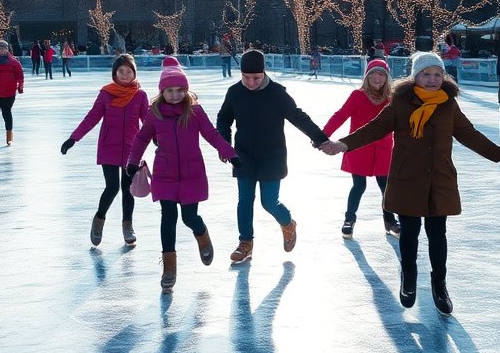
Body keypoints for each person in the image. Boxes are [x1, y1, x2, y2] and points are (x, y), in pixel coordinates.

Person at [323, 52, 500, 315]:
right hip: (407, 179)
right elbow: (374, 128)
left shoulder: (448, 103)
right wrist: (343, 144)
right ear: (416, 76)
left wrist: (499, 153)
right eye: (427, 74)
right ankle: (409, 278)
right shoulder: (400, 102)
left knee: (438, 235)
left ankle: (439, 285)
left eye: (438, 74)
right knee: (410, 233)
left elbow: (468, 134)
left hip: (439, 179)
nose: (433, 79)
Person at [126, 63, 239, 293]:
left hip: (191, 173)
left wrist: (231, 155)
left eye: (180, 90)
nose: (175, 95)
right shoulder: (154, 113)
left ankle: (202, 234)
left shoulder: (195, 111)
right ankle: (169, 268)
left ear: (186, 91)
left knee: (189, 217)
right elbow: (141, 138)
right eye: (170, 90)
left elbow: (212, 135)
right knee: (168, 217)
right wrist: (131, 161)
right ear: (162, 92)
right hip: (164, 174)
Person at [216, 49, 332, 264]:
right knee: (245, 200)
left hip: (272, 155)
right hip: (243, 154)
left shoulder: (277, 93)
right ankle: (245, 243)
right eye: (246, 78)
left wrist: (320, 138)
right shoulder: (234, 93)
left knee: (269, 202)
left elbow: (297, 116)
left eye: (256, 78)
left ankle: (288, 223)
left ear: (264, 73)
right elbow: (223, 119)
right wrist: (224, 145)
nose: (251, 83)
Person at [63, 54, 149, 247]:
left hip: (131, 149)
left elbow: (148, 121)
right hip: (108, 146)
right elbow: (92, 118)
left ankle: (128, 227)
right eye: (121, 71)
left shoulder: (140, 95)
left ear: (134, 73)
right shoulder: (106, 93)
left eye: (129, 71)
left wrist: (160, 138)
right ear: (115, 73)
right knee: (112, 187)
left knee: (128, 189)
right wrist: (73, 138)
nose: (125, 75)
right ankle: (99, 220)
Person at [321, 59, 400, 239]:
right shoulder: (358, 96)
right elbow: (340, 115)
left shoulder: (392, 99)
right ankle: (349, 220)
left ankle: (390, 220)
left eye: (382, 74)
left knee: (385, 186)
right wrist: (323, 135)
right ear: (367, 76)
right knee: (359, 185)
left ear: (386, 78)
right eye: (374, 74)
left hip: (384, 149)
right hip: (358, 147)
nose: (378, 78)